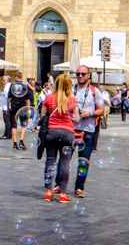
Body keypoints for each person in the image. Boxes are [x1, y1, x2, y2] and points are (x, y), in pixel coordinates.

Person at [41, 73, 79, 203]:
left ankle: (48, 192)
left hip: (51, 132)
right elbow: (77, 120)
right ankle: (63, 194)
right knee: (64, 163)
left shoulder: (49, 97)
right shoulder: (72, 100)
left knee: (50, 161)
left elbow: (42, 116)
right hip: (67, 133)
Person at [72, 65, 105, 198]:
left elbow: (101, 110)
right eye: (78, 73)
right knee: (64, 159)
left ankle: (79, 187)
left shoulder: (94, 91)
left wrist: (90, 113)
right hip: (71, 129)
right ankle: (59, 185)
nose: (80, 76)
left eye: (83, 74)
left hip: (88, 131)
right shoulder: (71, 89)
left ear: (88, 75)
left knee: (84, 161)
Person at [9, 72, 33, 150]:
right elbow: (27, 100)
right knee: (23, 125)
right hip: (22, 108)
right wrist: (28, 109)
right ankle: (21, 141)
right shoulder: (25, 86)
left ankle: (15, 143)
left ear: (16, 77)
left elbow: (9, 98)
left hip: (14, 107)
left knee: (14, 125)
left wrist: (7, 108)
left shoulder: (12, 86)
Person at [0, 76, 12, 141]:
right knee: (8, 121)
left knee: (7, 121)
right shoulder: (8, 86)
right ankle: (8, 134)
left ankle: (7, 134)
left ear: (7, 80)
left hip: (6, 107)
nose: (2, 81)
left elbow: (8, 98)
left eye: (3, 80)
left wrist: (8, 108)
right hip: (6, 107)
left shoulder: (7, 87)